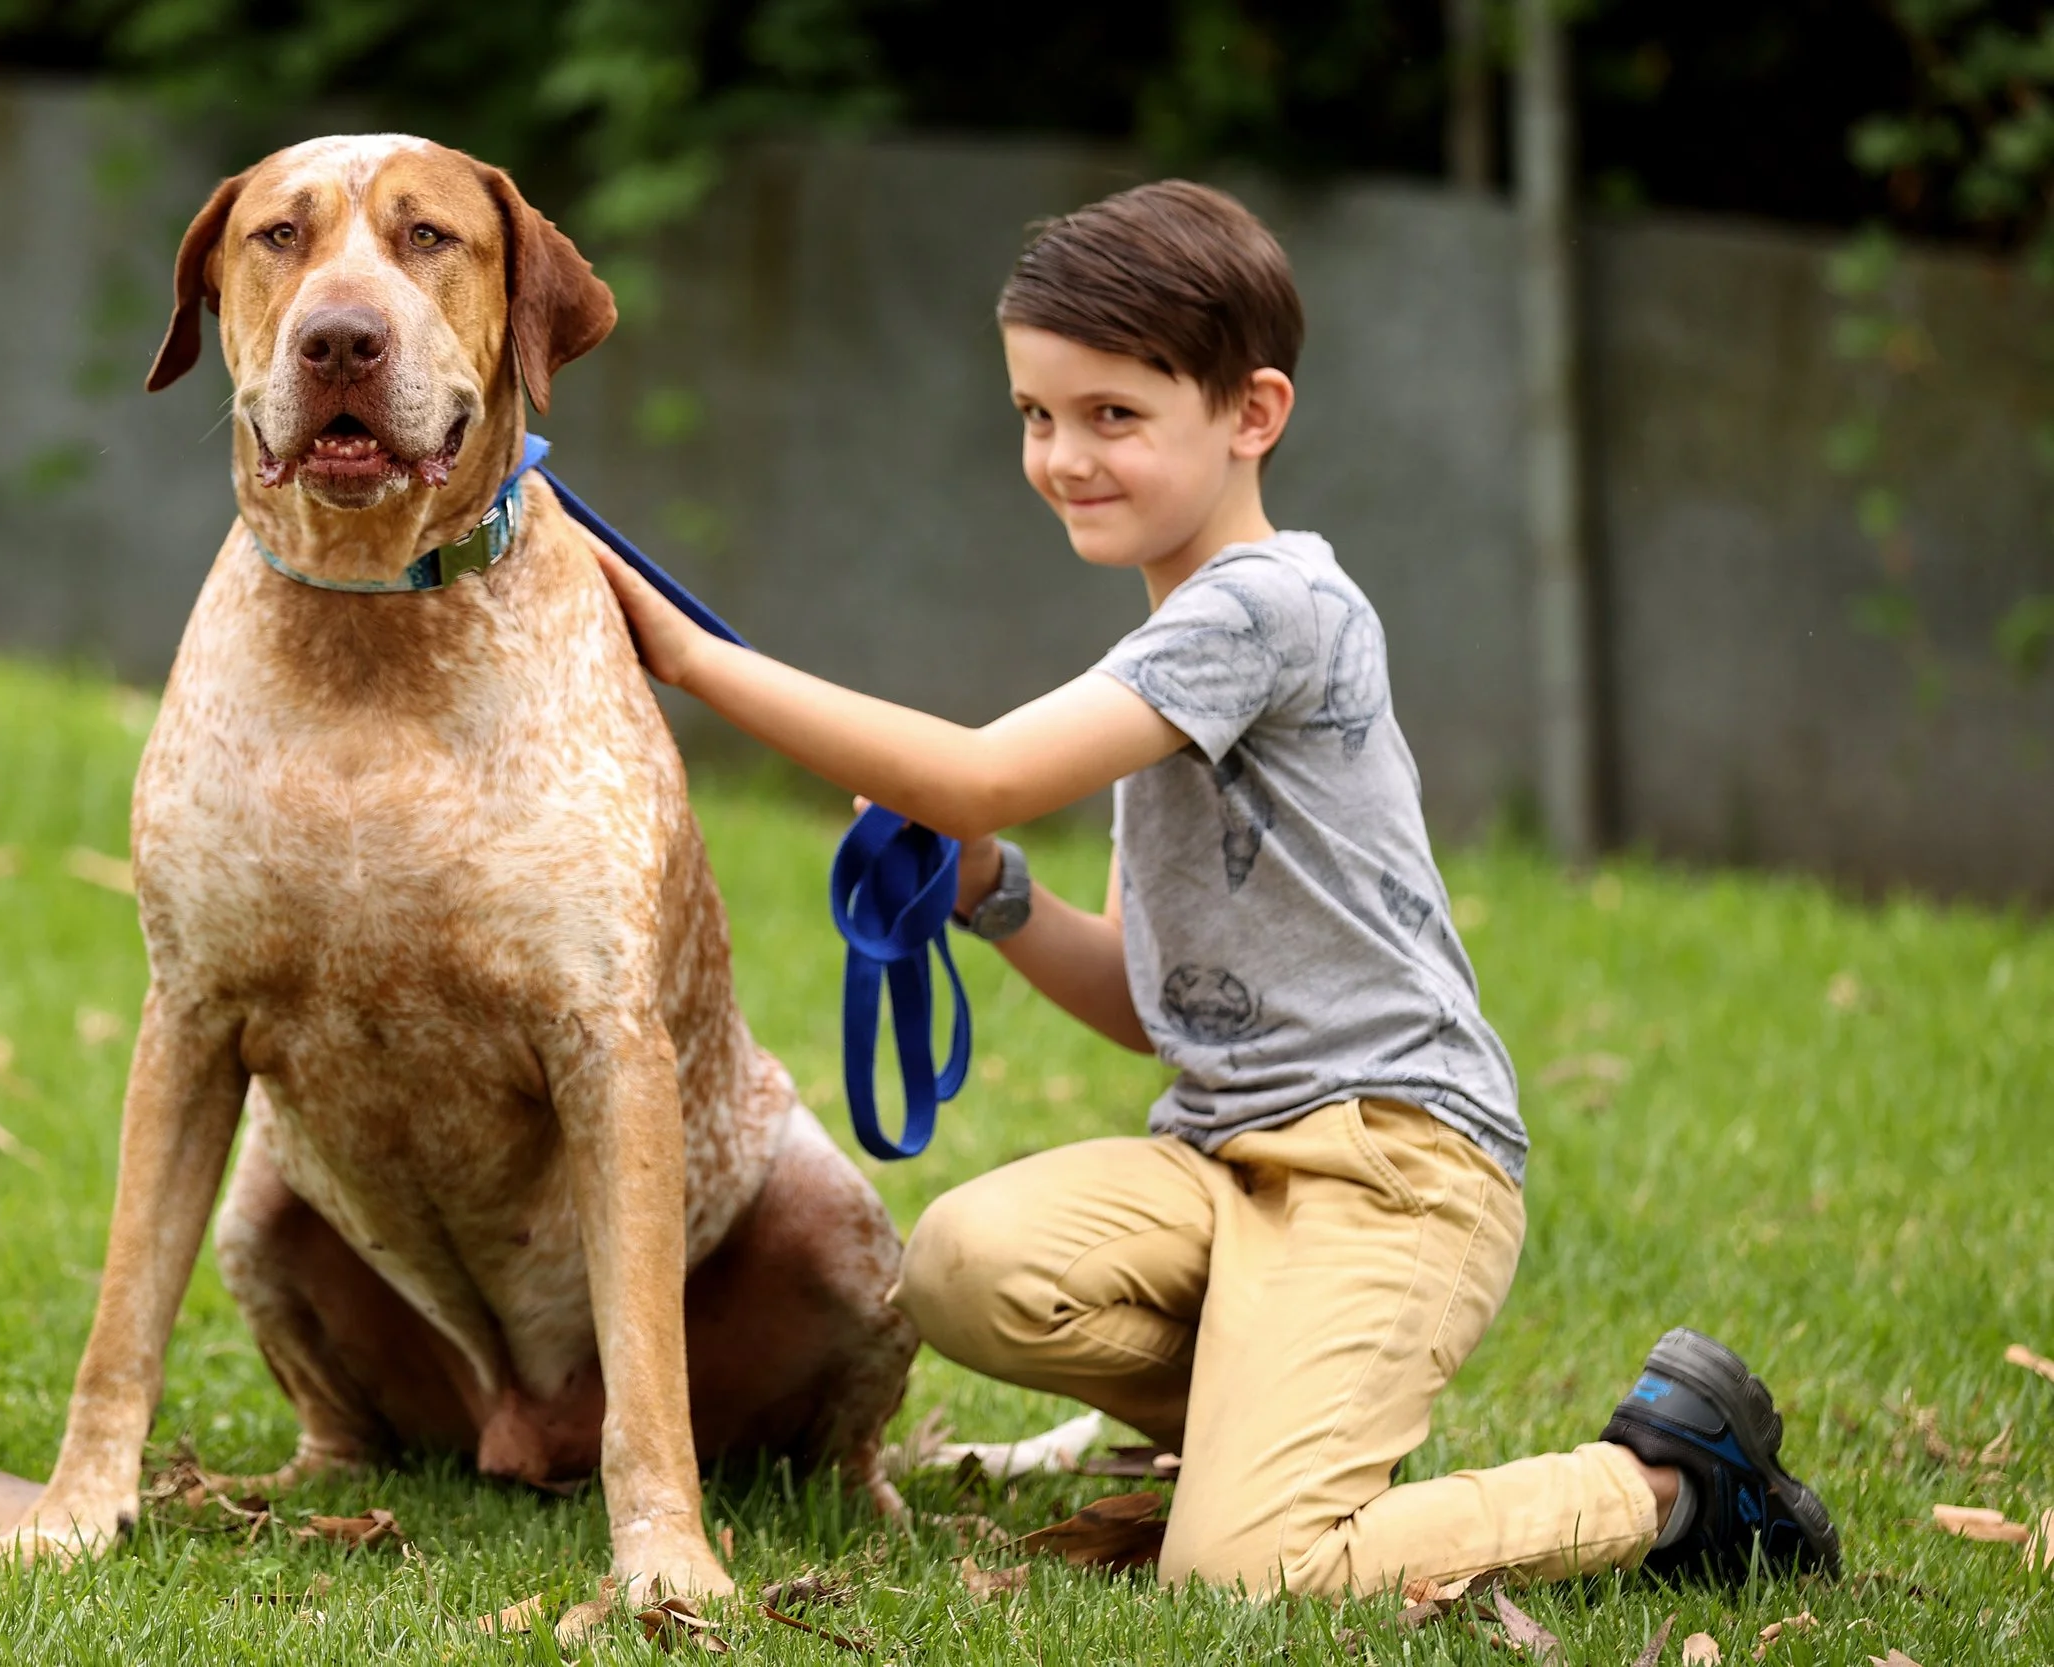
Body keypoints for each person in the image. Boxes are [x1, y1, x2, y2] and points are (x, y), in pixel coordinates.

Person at [593, 179, 1839, 1598]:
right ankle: (1268, 1430)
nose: (1063, 455)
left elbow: (983, 771)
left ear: (1252, 414)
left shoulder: (1266, 608)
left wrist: (695, 661)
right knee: (960, 1264)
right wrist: (993, 895)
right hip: (1223, 1161)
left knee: (1250, 1575)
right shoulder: (1177, 643)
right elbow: (1149, 1000)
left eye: (1112, 415)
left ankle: (1672, 1483)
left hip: (1395, 1169)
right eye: (1036, 414)